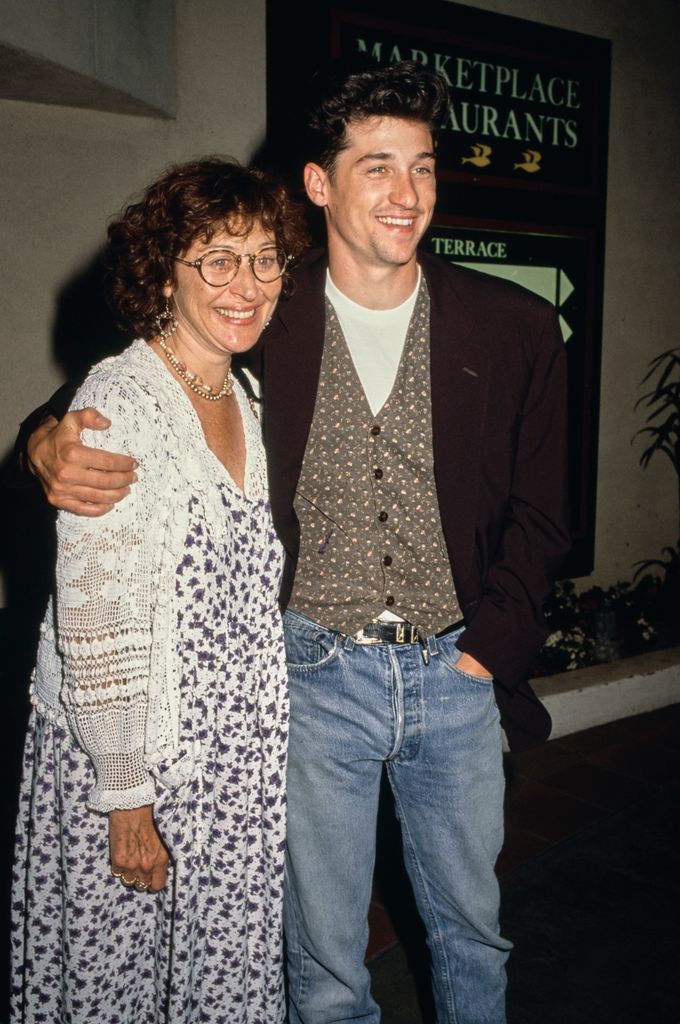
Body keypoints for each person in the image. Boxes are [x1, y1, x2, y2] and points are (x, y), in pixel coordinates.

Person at [20, 62, 570, 1024]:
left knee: (472, 931)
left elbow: (544, 507)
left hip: (455, 670)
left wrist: (489, 650)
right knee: (321, 954)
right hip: (312, 676)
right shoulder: (264, 307)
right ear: (319, 183)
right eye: (377, 166)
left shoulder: (514, 324)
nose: (406, 193)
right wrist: (42, 444)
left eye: (423, 166)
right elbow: (113, 390)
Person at [9, 157, 309, 1024]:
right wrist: (125, 798)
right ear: (164, 274)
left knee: (216, 983)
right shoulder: (122, 399)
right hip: (141, 765)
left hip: (229, 766)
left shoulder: (244, 392)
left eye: (264, 258)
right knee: (124, 993)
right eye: (217, 259)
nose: (246, 284)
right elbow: (95, 619)